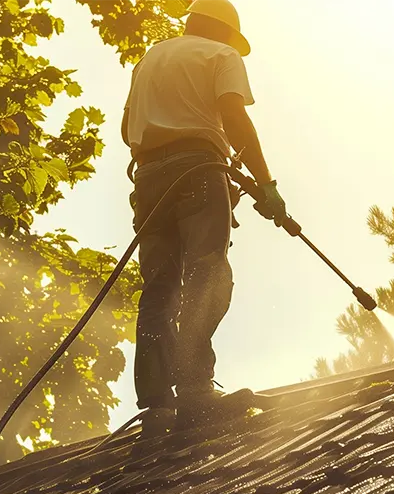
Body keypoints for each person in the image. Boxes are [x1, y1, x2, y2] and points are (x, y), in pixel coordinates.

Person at [121, 0, 287, 437]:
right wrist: (265, 183)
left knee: (158, 289)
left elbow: (127, 130)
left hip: (149, 179)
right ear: (225, 32)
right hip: (199, 171)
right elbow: (233, 116)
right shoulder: (221, 55)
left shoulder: (150, 57)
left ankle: (157, 404)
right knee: (207, 274)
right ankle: (195, 393)